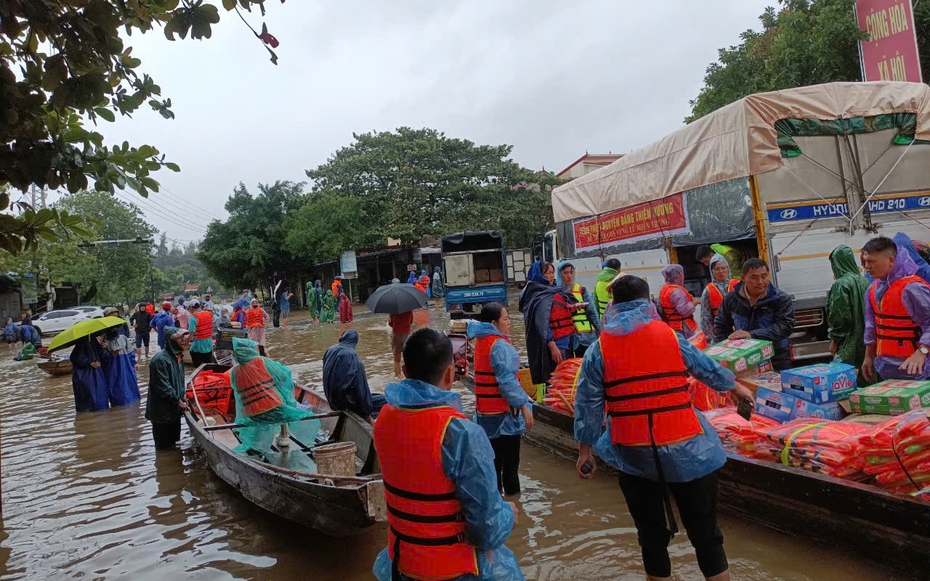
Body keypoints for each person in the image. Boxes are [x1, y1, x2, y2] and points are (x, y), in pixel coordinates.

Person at [574, 275, 753, 581]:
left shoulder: (598, 349)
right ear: (649, 302)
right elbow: (705, 368)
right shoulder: (670, 337)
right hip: (689, 449)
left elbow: (587, 405)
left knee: (651, 538)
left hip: (633, 454)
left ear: (613, 304)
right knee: (707, 534)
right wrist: (736, 388)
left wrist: (584, 450)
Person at [371, 328, 523, 581]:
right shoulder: (460, 433)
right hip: (452, 571)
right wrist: (508, 514)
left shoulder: (384, 418)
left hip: (403, 564)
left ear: (406, 373)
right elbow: (486, 529)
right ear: (451, 374)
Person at [468, 303, 534, 496]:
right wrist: (523, 406)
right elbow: (507, 383)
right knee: (511, 469)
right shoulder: (500, 346)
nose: (509, 323)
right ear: (493, 323)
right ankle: (515, 506)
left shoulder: (481, 341)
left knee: (494, 466)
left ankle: (497, 506)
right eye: (505, 319)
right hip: (503, 415)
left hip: (485, 414)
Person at [862, 236, 930, 382]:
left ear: (891, 260)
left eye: (871, 261)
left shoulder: (913, 288)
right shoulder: (872, 290)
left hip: (918, 369)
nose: (867, 266)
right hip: (885, 369)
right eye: (865, 261)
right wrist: (868, 357)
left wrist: (922, 351)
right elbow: (871, 326)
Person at [714, 258, 795, 370]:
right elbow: (720, 326)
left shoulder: (780, 298)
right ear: (743, 278)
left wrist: (751, 335)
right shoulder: (731, 299)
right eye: (754, 277)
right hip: (743, 360)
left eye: (764, 276)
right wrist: (725, 353)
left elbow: (785, 327)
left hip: (776, 358)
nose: (760, 282)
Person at [519, 261, 581, 386]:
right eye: (548, 273)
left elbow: (557, 313)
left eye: (553, 272)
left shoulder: (554, 291)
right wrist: (553, 346)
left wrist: (571, 310)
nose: (552, 276)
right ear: (539, 275)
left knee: (568, 377)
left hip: (568, 341)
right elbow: (542, 324)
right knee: (560, 378)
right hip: (557, 345)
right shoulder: (539, 295)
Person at [322, 330, 385, 425]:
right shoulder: (355, 359)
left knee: (375, 397)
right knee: (386, 400)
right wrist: (367, 414)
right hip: (348, 404)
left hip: (333, 401)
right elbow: (361, 390)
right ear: (356, 342)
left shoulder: (330, 350)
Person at [827, 245, 871, 375]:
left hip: (849, 343)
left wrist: (834, 340)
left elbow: (840, 318)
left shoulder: (840, 284)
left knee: (846, 381)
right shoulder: (865, 281)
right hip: (868, 342)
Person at [146, 327, 191, 451]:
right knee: (163, 448)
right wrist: (178, 401)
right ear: (171, 341)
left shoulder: (178, 357)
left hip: (174, 409)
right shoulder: (160, 360)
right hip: (162, 411)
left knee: (174, 443)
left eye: (184, 338)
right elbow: (163, 386)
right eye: (180, 338)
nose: (184, 341)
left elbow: (180, 380)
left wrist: (183, 395)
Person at [558, 261, 601, 357]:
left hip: (586, 336)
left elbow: (592, 312)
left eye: (571, 272)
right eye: (565, 273)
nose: (569, 276)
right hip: (567, 338)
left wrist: (599, 330)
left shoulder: (582, 290)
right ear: (559, 275)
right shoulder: (556, 292)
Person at [700, 254, 739, 342]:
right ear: (711, 271)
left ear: (728, 268)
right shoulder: (708, 290)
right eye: (717, 269)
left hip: (739, 329)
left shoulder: (738, 285)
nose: (721, 271)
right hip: (719, 332)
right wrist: (708, 338)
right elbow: (705, 317)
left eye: (723, 268)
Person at [103, 326, 141, 406]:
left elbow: (130, 351)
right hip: (113, 370)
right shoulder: (105, 342)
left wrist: (134, 362)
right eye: (112, 328)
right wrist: (110, 351)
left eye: (115, 328)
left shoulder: (123, 338)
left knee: (131, 387)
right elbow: (103, 358)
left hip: (126, 367)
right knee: (117, 391)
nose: (114, 329)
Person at [71, 335, 109, 412]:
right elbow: (75, 358)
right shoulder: (81, 345)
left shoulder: (93, 342)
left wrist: (105, 348)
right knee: (90, 404)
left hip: (97, 375)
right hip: (86, 377)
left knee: (99, 402)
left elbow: (102, 356)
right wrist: (90, 363)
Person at [659, 264, 697, 338]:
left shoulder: (665, 289)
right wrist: (695, 302)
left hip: (672, 326)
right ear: (677, 276)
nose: (683, 276)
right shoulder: (677, 292)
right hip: (683, 328)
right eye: (681, 274)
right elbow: (684, 311)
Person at [188, 301, 215, 366]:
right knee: (208, 365)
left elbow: (191, 336)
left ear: (191, 307)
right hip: (209, 344)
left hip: (198, 346)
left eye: (189, 307)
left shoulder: (193, 318)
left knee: (198, 367)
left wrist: (186, 343)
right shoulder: (209, 314)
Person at [389, 309, 414, 378]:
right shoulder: (409, 309)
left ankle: (398, 377)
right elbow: (411, 322)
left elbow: (390, 324)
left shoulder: (393, 309)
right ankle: (409, 377)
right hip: (407, 334)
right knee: (408, 358)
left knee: (397, 359)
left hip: (396, 335)